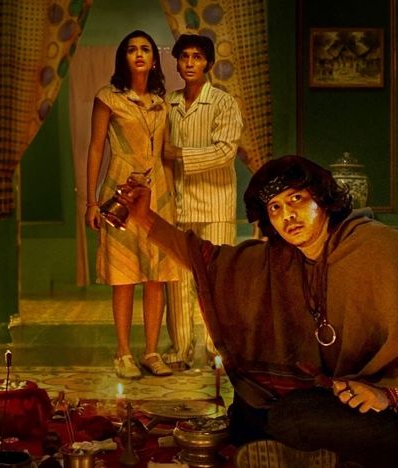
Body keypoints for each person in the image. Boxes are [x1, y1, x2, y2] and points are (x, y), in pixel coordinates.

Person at [118, 155, 398, 466]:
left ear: (322, 198)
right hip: (341, 398)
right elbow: (208, 261)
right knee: (248, 410)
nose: (288, 215)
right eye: (275, 208)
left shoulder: (377, 247)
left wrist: (389, 394)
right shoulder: (284, 259)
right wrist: (144, 217)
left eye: (296, 199)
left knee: (290, 418)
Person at [85, 30, 178, 379]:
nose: (139, 54)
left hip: (158, 194)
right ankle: (123, 352)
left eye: (145, 50)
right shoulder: (108, 97)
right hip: (120, 189)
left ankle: (151, 351)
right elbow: (96, 147)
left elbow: (166, 154)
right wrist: (91, 201)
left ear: (154, 59)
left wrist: (174, 200)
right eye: (131, 50)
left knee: (156, 275)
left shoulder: (161, 104)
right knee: (123, 275)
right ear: (123, 58)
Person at [161, 33, 245, 370]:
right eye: (184, 57)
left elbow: (225, 152)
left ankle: (216, 349)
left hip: (215, 203)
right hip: (178, 203)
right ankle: (180, 349)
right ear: (177, 63)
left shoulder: (224, 102)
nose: (190, 63)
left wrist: (179, 153)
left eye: (197, 57)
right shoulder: (168, 103)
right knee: (178, 279)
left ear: (208, 63)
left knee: (217, 279)